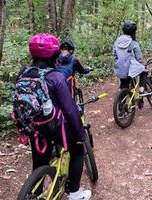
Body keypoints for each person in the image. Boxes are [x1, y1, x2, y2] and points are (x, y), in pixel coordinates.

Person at [16, 33, 92, 200]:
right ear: (54, 54)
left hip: (32, 125)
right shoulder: (55, 77)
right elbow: (70, 109)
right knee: (78, 150)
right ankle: (74, 193)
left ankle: (35, 193)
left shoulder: (23, 72)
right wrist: (80, 133)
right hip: (54, 124)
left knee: (39, 161)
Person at [113, 21, 148, 93]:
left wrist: (119, 62)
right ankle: (141, 90)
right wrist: (139, 64)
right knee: (144, 72)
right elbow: (139, 58)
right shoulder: (133, 43)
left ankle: (120, 100)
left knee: (124, 85)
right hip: (130, 69)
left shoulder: (117, 42)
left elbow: (114, 55)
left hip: (120, 69)